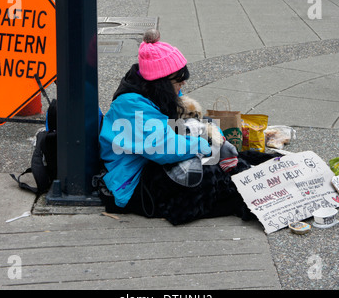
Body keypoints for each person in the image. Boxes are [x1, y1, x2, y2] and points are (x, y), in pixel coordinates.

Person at [98, 29, 277, 225]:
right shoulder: (131, 107)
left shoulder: (157, 93)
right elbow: (164, 147)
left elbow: (195, 122)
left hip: (152, 162)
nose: (183, 82)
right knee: (205, 174)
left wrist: (217, 139)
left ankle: (248, 187)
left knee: (228, 159)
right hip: (133, 181)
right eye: (179, 79)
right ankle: (245, 198)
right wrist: (205, 145)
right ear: (162, 81)